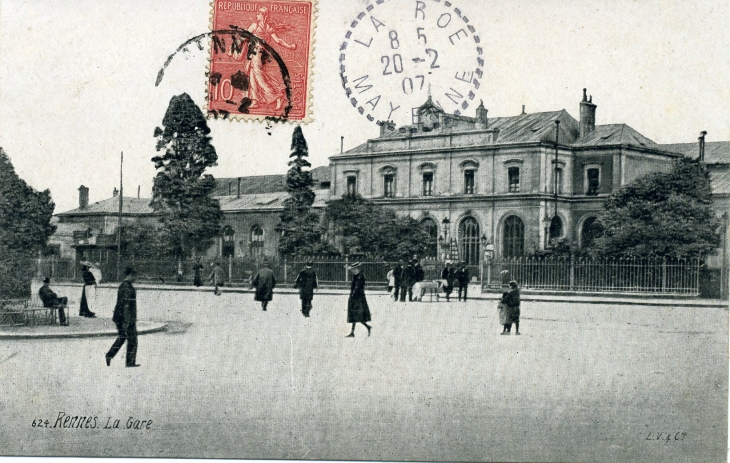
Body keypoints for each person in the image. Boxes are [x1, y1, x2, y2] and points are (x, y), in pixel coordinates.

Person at [231, 7, 297, 111]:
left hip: (257, 54)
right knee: (251, 75)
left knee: (258, 75)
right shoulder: (259, 26)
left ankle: (276, 96)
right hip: (252, 54)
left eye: (258, 13)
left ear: (263, 15)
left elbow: (278, 40)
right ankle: (255, 100)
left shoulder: (262, 27)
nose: (257, 15)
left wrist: (290, 46)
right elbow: (243, 38)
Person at [105, 266, 140, 367]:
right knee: (133, 340)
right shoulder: (128, 288)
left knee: (123, 337)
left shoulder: (123, 286)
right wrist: (127, 322)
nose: (136, 279)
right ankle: (130, 363)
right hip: (126, 318)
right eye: (135, 276)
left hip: (120, 317)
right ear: (131, 275)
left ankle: (109, 355)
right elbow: (126, 306)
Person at [346, 262, 371, 337]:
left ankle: (367, 327)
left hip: (359, 298)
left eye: (353, 269)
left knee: (358, 314)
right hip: (355, 297)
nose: (352, 271)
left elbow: (357, 287)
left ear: (356, 269)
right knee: (354, 314)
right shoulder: (356, 275)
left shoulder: (360, 276)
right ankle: (353, 332)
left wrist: (353, 295)